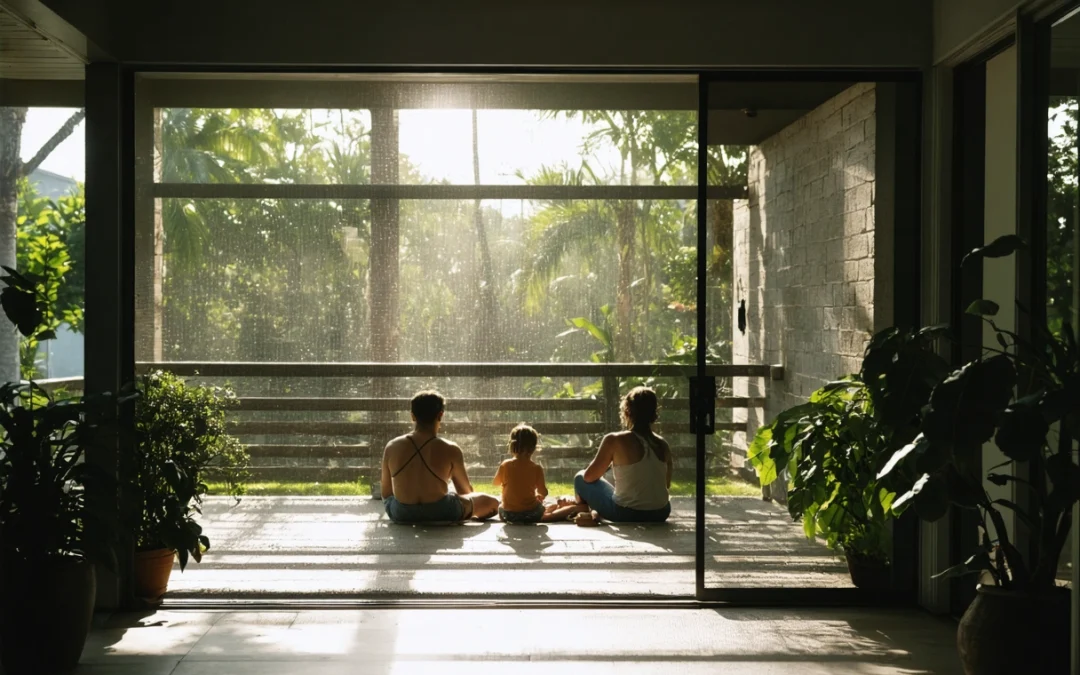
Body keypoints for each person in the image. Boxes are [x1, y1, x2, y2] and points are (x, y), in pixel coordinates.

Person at [381, 390, 499, 523]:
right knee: (493, 503)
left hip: (401, 513)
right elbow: (465, 492)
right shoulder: (451, 449)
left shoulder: (391, 446)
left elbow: (386, 493)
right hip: (441, 511)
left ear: (413, 416)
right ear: (440, 415)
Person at [573, 386, 673, 525]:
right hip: (661, 512)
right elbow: (666, 485)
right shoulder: (663, 444)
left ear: (627, 411)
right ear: (654, 413)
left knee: (580, 477)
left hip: (626, 513)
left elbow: (589, 477)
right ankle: (590, 510)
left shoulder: (614, 440)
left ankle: (584, 509)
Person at [493, 424, 588, 524]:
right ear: (534, 448)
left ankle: (514, 518)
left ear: (512, 445)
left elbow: (496, 483)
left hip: (508, 515)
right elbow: (544, 492)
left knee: (500, 506)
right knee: (541, 508)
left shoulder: (505, 465)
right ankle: (561, 512)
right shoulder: (536, 468)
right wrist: (539, 496)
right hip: (531, 514)